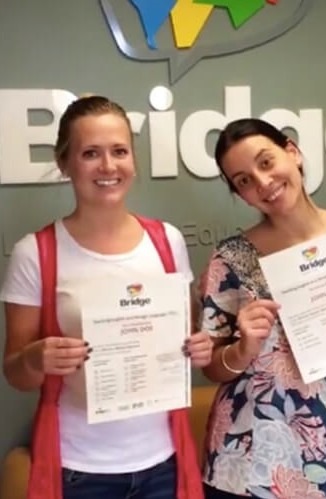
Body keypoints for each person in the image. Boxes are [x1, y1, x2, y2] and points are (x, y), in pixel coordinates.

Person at [0, 95, 214, 499]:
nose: (108, 166)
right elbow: (15, 373)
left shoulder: (166, 240)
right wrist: (34, 359)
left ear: (133, 159)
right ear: (65, 163)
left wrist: (198, 346)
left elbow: (183, 335)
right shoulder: (37, 252)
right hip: (79, 470)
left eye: (119, 151)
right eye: (90, 153)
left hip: (164, 463)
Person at [196, 118, 326, 498]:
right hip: (250, 461)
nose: (262, 183)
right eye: (243, 180)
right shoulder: (229, 260)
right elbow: (213, 367)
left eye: (266, 162)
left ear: (292, 152)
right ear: (239, 194)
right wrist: (243, 348)